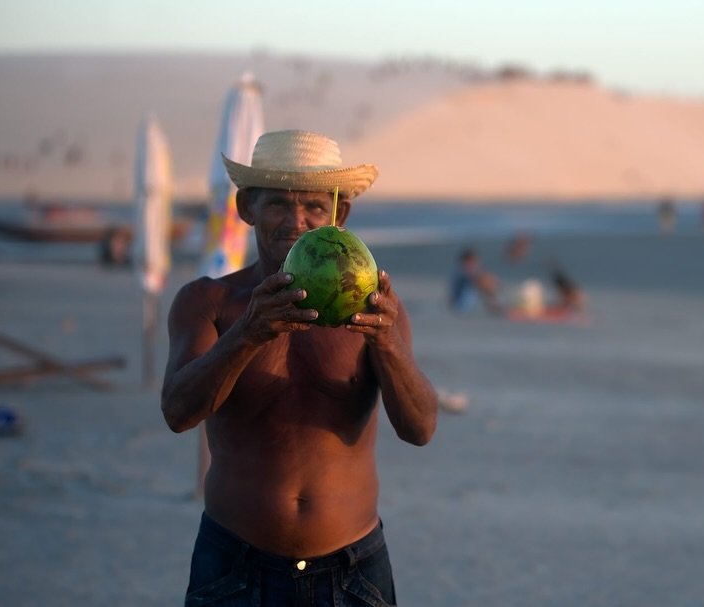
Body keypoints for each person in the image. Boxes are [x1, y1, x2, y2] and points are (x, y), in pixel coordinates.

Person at [162, 130, 438, 606]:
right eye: (277, 205)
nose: (297, 221)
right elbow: (177, 412)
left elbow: (420, 429)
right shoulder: (209, 302)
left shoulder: (375, 308)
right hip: (234, 563)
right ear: (246, 207)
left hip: (352, 567)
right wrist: (248, 333)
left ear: (340, 214)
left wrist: (388, 343)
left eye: (314, 206)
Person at [448, 247, 500, 313]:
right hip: (462, 305)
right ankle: (494, 305)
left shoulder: (459, 271)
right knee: (484, 280)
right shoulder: (464, 271)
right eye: (474, 261)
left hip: (461, 304)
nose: (477, 263)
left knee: (485, 280)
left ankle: (494, 304)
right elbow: (479, 279)